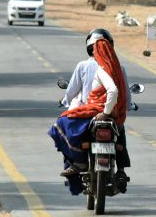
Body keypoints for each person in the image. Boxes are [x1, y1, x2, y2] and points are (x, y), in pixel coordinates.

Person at [49, 29, 130, 194]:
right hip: (113, 114)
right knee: (120, 134)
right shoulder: (118, 67)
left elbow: (72, 92)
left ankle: (78, 164)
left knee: (63, 123)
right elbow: (124, 95)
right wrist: (120, 108)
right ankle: (121, 170)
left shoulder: (88, 66)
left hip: (93, 111)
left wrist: (66, 102)